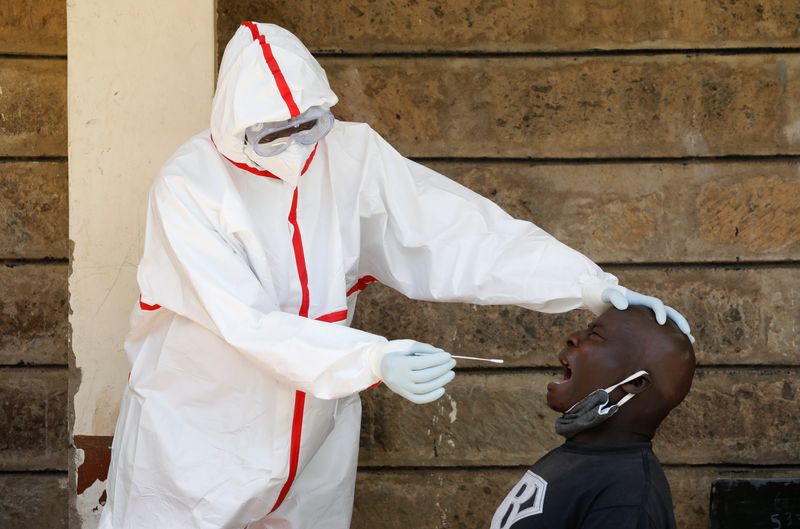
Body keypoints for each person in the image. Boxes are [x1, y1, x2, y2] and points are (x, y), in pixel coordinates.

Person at [98, 21, 693, 529]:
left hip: (315, 434)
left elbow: (452, 232)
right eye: (273, 134)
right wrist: (372, 360)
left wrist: (589, 285)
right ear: (234, 125)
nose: (298, 147)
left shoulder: (351, 157)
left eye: (309, 125)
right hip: (201, 429)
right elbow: (245, 322)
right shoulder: (190, 188)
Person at [491, 306, 696, 529]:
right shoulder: (577, 457)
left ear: (635, 383)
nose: (572, 337)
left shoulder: (626, 499)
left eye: (595, 335)